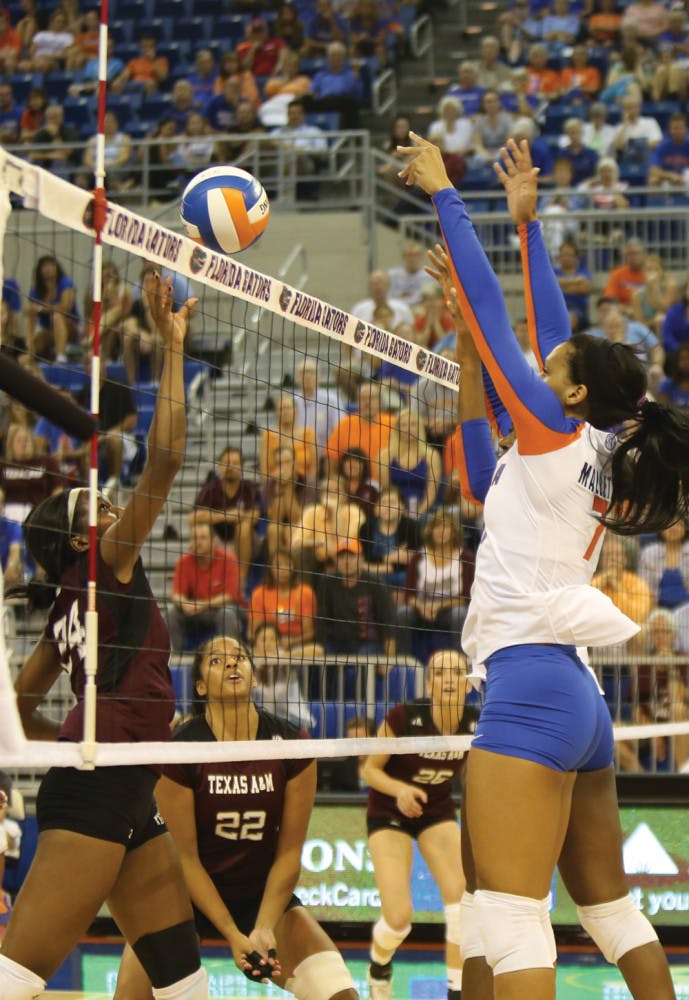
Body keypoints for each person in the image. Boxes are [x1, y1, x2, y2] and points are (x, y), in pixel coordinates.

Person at [397, 133, 681, 1000]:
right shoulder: (588, 443)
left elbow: (498, 320)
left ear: (570, 393)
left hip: (528, 691)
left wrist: (448, 196)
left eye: (549, 369)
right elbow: (528, 362)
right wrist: (526, 230)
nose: (539, 358)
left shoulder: (557, 431)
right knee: (607, 914)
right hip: (574, 700)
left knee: (513, 919)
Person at [0, 277, 210, 1000]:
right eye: (102, 504)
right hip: (95, 792)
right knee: (16, 978)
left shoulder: (67, 607)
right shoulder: (103, 564)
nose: (115, 504)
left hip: (125, 783)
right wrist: (174, 351)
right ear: (81, 534)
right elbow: (168, 461)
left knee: (184, 986)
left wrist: (80, 731)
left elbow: (17, 709)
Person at [114, 634, 358, 1000]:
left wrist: (262, 928)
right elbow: (185, 859)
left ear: (255, 676)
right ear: (199, 686)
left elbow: (290, 853)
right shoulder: (180, 750)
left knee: (340, 994)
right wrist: (232, 935)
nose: (231, 663)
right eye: (216, 660)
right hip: (184, 898)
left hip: (262, 897)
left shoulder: (293, 742)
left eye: (239, 657)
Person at [363, 649, 477, 1000]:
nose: (448, 680)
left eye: (457, 673)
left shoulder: (475, 723)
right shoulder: (404, 716)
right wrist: (400, 790)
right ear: (428, 683)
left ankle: (456, 992)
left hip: (437, 811)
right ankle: (379, 965)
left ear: (468, 684)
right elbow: (369, 769)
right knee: (399, 919)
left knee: (461, 906)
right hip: (389, 811)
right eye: (440, 673)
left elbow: (474, 777)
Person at [191, 446, 263, 592]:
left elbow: (255, 515)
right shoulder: (210, 489)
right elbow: (193, 518)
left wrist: (240, 517)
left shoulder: (249, 488)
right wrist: (226, 515)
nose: (230, 467)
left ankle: (241, 581)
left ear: (242, 467)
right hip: (218, 540)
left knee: (243, 527)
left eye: (235, 463)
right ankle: (200, 586)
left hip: (247, 541)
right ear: (219, 467)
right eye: (226, 463)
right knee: (199, 531)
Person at [168, 521, 246, 652]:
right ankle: (178, 658)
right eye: (194, 538)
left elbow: (230, 596)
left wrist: (202, 605)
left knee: (226, 613)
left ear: (213, 541)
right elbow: (176, 595)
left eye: (202, 538)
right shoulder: (184, 562)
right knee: (172, 613)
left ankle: (227, 655)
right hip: (196, 611)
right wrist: (185, 604)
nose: (198, 542)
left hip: (222, 609)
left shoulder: (228, 559)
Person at [24, 254, 80, 362]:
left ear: (56, 267)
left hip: (70, 328)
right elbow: (27, 309)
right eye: (44, 266)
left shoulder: (65, 283)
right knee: (31, 317)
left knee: (57, 316)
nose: (47, 269)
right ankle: (29, 352)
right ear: (39, 271)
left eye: (50, 265)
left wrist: (40, 308)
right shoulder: (36, 289)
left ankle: (60, 357)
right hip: (49, 331)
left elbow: (65, 307)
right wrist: (32, 308)